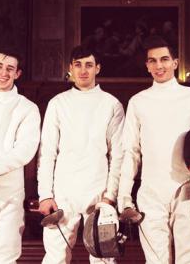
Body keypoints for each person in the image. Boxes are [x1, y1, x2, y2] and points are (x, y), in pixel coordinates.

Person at [118, 36, 190, 264]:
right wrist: (124, 197)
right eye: (152, 61)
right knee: (155, 261)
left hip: (187, 190)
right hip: (150, 192)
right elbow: (130, 152)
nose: (158, 65)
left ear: (175, 62)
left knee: (189, 260)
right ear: (147, 65)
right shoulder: (138, 101)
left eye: (164, 59)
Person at [37, 45, 125, 264]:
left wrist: (110, 195)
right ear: (70, 68)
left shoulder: (111, 104)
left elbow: (118, 155)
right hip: (63, 191)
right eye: (78, 65)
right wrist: (45, 195)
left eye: (89, 65)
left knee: (103, 258)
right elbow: (47, 152)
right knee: (55, 257)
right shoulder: (57, 103)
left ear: (98, 68)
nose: (83, 70)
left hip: (98, 190)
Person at [0, 49, 41, 264]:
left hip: (9, 194)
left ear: (17, 73)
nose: (3, 73)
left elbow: (26, 149)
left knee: (5, 259)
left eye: (10, 68)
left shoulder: (27, 108)